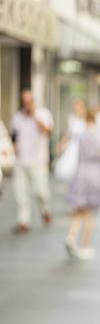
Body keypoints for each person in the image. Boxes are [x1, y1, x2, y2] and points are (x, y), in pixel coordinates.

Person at [65, 110, 100, 259]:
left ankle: (71, 237)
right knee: (90, 213)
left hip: (81, 173)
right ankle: (85, 245)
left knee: (79, 210)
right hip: (94, 175)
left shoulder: (82, 136)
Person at [10, 89, 54, 233]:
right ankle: (23, 221)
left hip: (38, 160)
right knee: (20, 192)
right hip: (21, 161)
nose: (27, 104)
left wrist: (34, 115)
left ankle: (45, 210)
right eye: (24, 102)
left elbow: (47, 132)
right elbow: (14, 135)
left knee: (41, 192)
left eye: (29, 101)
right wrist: (15, 147)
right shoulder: (17, 117)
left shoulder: (43, 114)